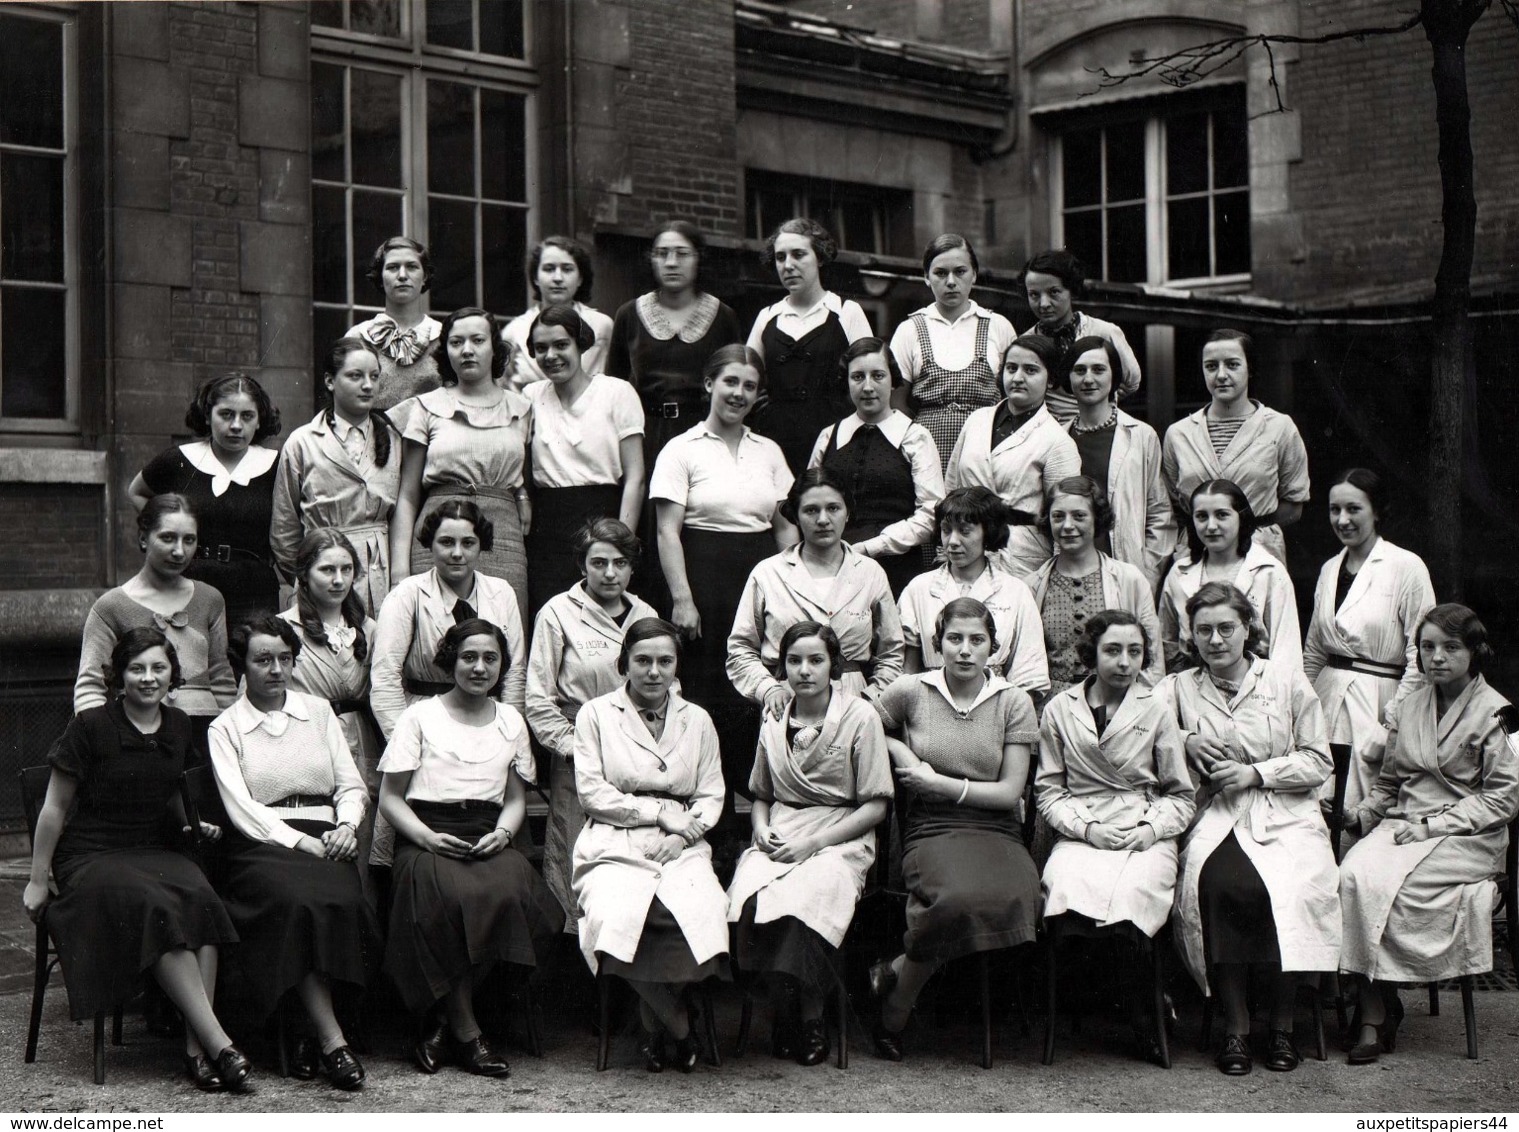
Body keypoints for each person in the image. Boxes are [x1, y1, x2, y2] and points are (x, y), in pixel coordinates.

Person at [23, 628, 252, 1094]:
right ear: (118, 676)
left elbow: (168, 791)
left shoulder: (178, 724)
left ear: (173, 674)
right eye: (137, 669)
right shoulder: (90, 726)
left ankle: (196, 1048)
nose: (148, 678)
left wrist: (190, 824)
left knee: (201, 899)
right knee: (158, 904)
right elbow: (54, 808)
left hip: (152, 847)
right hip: (91, 856)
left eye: (158, 668)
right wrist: (37, 878)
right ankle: (219, 1044)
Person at [379, 618, 563, 1078]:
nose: (479, 668)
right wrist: (426, 837)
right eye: (469, 657)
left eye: (490, 658)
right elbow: (389, 798)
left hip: (487, 834)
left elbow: (517, 798)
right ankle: (468, 1032)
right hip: (427, 835)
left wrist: (503, 833)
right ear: (450, 661)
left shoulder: (511, 720)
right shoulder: (419, 716)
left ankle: (443, 1022)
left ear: (502, 665)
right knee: (453, 900)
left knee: (525, 900)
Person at [1169, 582, 1340, 1077]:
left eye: (1226, 628)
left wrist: (1258, 773)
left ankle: (1283, 1024)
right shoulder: (1177, 688)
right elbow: (1142, 727)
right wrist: (1185, 737)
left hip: (1285, 812)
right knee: (1219, 883)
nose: (1216, 639)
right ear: (1192, 635)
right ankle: (1237, 1027)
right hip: (1218, 815)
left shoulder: (1285, 682)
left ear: (1249, 629)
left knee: (1290, 886)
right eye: (1204, 630)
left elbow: (1317, 760)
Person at [1339, 604, 1519, 1064]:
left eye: (1451, 647)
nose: (1437, 657)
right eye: (1427, 647)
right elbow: (1389, 783)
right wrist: (1361, 815)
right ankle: (1379, 1003)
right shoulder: (1407, 706)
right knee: (1352, 875)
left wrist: (1434, 825)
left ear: (1474, 652)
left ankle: (1373, 1015)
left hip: (1468, 835)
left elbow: (1502, 799)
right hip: (1404, 825)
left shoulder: (1498, 712)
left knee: (1392, 886)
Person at [208, 616, 379, 1091]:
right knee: (297, 904)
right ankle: (331, 1040)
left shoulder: (318, 711)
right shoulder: (227, 727)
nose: (276, 670)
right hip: (262, 845)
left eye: (285, 659)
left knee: (344, 902)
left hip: (328, 834)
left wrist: (347, 825)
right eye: (263, 660)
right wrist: (300, 842)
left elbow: (349, 783)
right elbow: (240, 808)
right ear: (241, 664)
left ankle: (303, 1029)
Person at [868, 597, 1042, 1061]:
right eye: (955, 639)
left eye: (977, 640)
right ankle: (898, 1009)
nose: (965, 650)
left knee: (1021, 895)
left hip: (997, 828)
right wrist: (903, 754)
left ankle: (898, 969)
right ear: (937, 643)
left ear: (994, 648)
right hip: (933, 828)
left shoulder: (1013, 701)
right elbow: (868, 726)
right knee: (954, 900)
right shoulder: (911, 690)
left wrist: (938, 781)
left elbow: (1009, 793)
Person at [726, 622, 893, 1067]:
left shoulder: (860, 716)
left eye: (815, 660)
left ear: (833, 666)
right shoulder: (775, 717)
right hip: (783, 827)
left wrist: (815, 844)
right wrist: (760, 829)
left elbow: (875, 806)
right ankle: (781, 1007)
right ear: (782, 667)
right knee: (750, 896)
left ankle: (811, 1016)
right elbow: (762, 794)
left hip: (841, 833)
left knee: (809, 897)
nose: (804, 670)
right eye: (794, 661)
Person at [1035, 611, 1193, 1064]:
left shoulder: (1157, 709)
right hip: (1083, 827)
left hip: (1142, 825)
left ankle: (1142, 1013)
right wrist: (1087, 829)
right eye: (1112, 650)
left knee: (1134, 894)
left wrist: (1150, 830)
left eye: (1135, 652)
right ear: (1091, 653)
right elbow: (1049, 790)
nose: (1125, 662)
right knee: (1067, 886)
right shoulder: (1061, 709)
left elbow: (1180, 796)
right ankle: (1112, 1003)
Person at [572, 619, 730, 1074]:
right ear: (624, 664)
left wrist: (682, 836)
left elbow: (712, 793)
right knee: (618, 913)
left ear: (677, 666)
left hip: (684, 839)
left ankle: (653, 1025)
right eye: (642, 660)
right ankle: (678, 1023)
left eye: (665, 661)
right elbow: (593, 794)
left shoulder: (696, 719)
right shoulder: (596, 715)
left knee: (699, 909)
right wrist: (657, 816)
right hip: (614, 836)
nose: (654, 671)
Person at [651, 344, 794, 785]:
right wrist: (682, 599)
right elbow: (666, 531)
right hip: (702, 580)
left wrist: (789, 590)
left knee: (753, 688)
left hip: (758, 578)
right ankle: (711, 812)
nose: (739, 393)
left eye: (749, 386)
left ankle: (751, 805)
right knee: (706, 692)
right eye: (730, 382)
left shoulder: (769, 450)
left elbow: (786, 528)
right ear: (710, 384)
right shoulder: (681, 448)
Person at [726, 470, 904, 789]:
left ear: (847, 512)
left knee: (851, 794)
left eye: (833, 508)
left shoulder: (869, 573)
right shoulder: (768, 574)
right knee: (786, 795)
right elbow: (740, 649)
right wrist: (768, 689)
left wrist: (869, 697)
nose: (823, 519)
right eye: (811, 510)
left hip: (853, 698)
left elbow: (892, 652)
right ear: (795, 515)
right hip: (787, 698)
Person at [525, 518, 661, 926]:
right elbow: (537, 699)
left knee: (628, 855)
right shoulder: (558, 612)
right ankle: (570, 956)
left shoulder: (645, 613)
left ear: (632, 566)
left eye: (620, 563)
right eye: (598, 562)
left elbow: (668, 687)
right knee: (574, 851)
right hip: (576, 754)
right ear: (582, 565)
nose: (609, 573)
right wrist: (577, 750)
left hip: (634, 752)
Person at [1303, 468, 1436, 816]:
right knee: (1314, 806)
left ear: (1376, 511)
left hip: (1377, 703)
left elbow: (1421, 655)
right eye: (1335, 510)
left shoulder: (1406, 566)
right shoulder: (1329, 569)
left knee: (1357, 809)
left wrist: (1390, 725)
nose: (1342, 519)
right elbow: (1315, 650)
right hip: (1326, 698)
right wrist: (1303, 709)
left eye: (1353, 509)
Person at [391, 306, 533, 623]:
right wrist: (400, 569)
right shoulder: (427, 407)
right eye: (456, 343)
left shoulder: (521, 408)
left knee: (504, 633)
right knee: (434, 636)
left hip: (502, 536)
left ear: (495, 347)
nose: (467, 350)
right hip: (437, 534)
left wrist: (521, 495)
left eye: (478, 340)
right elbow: (408, 494)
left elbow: (522, 474)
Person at [75, 495, 236, 750]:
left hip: (204, 735)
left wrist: (233, 741)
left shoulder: (210, 599)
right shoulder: (111, 606)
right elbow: (89, 687)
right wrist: (106, 742)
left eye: (189, 540)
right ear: (143, 538)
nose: (179, 551)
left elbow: (222, 679)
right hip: (137, 736)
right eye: (167, 538)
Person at [523, 304, 646, 624]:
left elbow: (635, 477)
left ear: (581, 344)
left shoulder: (616, 392)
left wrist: (622, 544)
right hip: (548, 527)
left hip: (605, 518)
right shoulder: (530, 396)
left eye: (561, 345)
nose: (551, 355)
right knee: (551, 620)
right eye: (541, 348)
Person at [127, 373, 283, 626]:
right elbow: (138, 491)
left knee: (252, 662)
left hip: (254, 592)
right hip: (190, 584)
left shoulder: (276, 464)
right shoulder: (178, 460)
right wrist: (166, 533)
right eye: (226, 414)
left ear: (259, 420)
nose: (236, 425)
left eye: (247, 416)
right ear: (208, 415)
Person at [371, 500, 528, 735]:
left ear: (480, 546)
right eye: (446, 542)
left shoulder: (501, 592)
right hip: (426, 724)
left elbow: (514, 673)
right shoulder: (408, 594)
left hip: (488, 723)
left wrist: (509, 734)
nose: (457, 553)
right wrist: (403, 743)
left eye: (467, 543)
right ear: (430, 544)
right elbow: (385, 677)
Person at [271, 337, 401, 615]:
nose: (368, 385)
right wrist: (308, 575)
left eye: (374, 376)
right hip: (321, 577)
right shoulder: (302, 442)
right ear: (330, 381)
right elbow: (284, 530)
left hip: (382, 574)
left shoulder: (394, 440)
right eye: (355, 376)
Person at [1161, 329, 1310, 565]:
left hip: (1258, 553)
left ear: (1250, 369)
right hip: (1197, 553)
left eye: (1232, 365)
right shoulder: (1178, 434)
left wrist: (1243, 528)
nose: (1221, 375)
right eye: (1211, 366)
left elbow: (1294, 504)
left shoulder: (1279, 427)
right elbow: (1170, 503)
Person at [808, 337, 944, 595]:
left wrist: (870, 547)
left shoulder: (915, 437)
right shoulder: (829, 437)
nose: (868, 386)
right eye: (858, 377)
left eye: (878, 376)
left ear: (893, 380)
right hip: (831, 568)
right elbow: (807, 502)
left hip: (894, 569)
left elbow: (930, 515)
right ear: (846, 382)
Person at [277, 530, 381, 865]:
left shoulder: (369, 628)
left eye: (346, 569)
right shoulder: (282, 629)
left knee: (363, 827)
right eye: (326, 570)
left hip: (361, 739)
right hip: (305, 740)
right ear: (304, 574)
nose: (338, 580)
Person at [605, 220, 743, 467]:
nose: (671, 262)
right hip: (644, 437)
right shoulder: (629, 314)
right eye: (661, 254)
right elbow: (612, 386)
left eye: (682, 254)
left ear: (698, 258)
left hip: (705, 436)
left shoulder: (724, 317)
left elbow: (738, 383)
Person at [945, 335, 1081, 577]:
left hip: (1020, 560)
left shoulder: (1058, 442)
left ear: (1050, 380)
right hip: (965, 550)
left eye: (1030, 370)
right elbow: (952, 488)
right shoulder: (977, 420)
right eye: (1011, 368)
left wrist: (1058, 578)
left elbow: (1062, 518)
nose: (1018, 378)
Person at [746, 218, 874, 474]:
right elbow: (747, 378)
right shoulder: (767, 317)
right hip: (774, 444)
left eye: (798, 255)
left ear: (820, 258)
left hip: (834, 442)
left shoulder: (847, 313)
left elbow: (869, 380)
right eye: (780, 257)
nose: (788, 265)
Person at [897, 487, 1049, 696]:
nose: (953, 541)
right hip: (932, 704)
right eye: (946, 530)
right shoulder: (919, 589)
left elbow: (1029, 673)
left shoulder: (1015, 591)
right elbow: (908, 671)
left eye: (965, 531)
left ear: (987, 532)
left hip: (996, 703)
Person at [888, 234, 1016, 476]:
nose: (951, 281)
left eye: (960, 271)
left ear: (974, 275)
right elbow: (897, 402)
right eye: (940, 273)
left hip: (987, 448)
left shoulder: (998, 326)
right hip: (927, 452)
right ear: (926, 277)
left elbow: (1015, 395)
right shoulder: (910, 329)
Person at [1026, 477, 1163, 694]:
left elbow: (1151, 660)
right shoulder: (1032, 586)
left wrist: (1143, 711)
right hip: (1050, 709)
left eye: (1079, 516)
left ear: (1097, 518)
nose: (1068, 526)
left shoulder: (1129, 579)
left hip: (1117, 706)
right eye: (1058, 516)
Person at [1060, 336, 1173, 589]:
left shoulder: (1141, 435)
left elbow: (1160, 514)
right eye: (1079, 370)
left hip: (1125, 572)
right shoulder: (1057, 438)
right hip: (1069, 574)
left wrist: (1146, 576)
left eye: (1099, 369)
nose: (1088, 379)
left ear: (1115, 376)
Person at [1160, 479, 1302, 674]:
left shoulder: (1269, 572)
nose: (1211, 526)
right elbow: (1167, 644)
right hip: (1193, 686)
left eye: (1222, 515)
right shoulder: (1179, 573)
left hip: (1255, 685)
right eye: (1201, 516)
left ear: (1241, 517)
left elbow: (1286, 651)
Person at [1017, 249, 1141, 425]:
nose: (1043, 304)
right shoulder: (1025, 342)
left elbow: (1132, 381)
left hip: (1097, 428)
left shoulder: (1104, 332)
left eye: (1054, 292)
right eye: (1034, 295)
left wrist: (1101, 398)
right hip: (1048, 437)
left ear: (1071, 290)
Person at [346, 236, 442, 423]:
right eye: (392, 267)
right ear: (380, 278)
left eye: (412, 267)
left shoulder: (444, 337)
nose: (403, 275)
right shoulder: (358, 337)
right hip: (372, 440)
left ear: (425, 278)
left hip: (431, 438)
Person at [501, 235, 615, 388]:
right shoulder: (514, 331)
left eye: (567, 269)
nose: (558, 278)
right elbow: (501, 386)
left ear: (580, 278)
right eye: (549, 269)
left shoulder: (602, 326)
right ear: (535, 277)